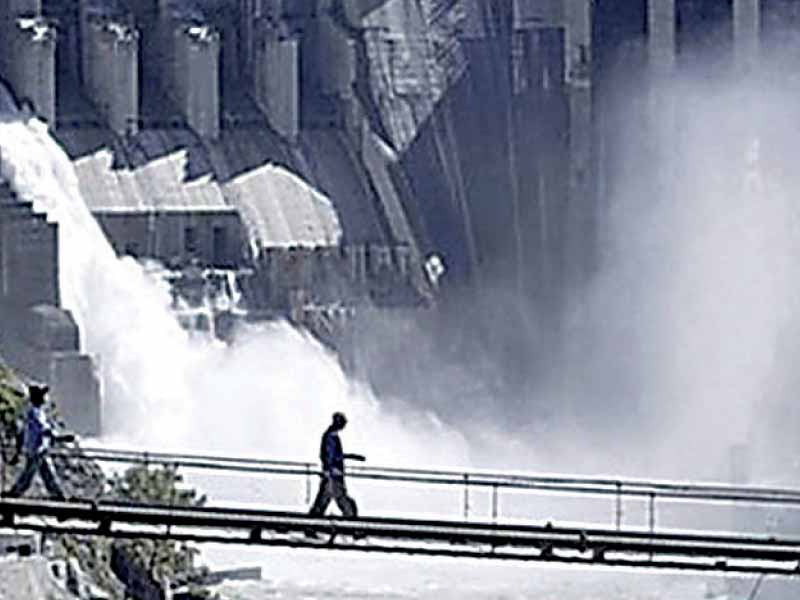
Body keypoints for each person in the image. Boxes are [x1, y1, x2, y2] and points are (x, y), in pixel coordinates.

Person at [4, 384, 74, 500]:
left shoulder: (34, 411)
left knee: (48, 475)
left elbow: (22, 432)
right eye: (42, 395)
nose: (45, 398)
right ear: (37, 397)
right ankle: (14, 495)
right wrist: (62, 437)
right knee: (29, 476)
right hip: (37, 449)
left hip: (40, 449)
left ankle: (59, 497)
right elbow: (43, 430)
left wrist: (18, 450)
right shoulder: (35, 413)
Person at [308, 412, 365, 519]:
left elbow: (331, 455)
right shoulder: (331, 437)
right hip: (333, 476)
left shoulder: (330, 435)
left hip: (332, 475)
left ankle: (310, 526)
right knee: (344, 502)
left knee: (323, 502)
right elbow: (330, 456)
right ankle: (354, 528)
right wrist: (331, 469)